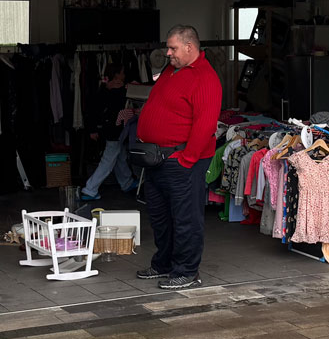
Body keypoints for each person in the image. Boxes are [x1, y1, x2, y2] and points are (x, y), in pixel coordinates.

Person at [135, 26, 222, 290]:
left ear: (189, 46)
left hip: (181, 160)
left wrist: (187, 159)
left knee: (186, 219)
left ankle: (187, 271)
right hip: (157, 159)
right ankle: (164, 263)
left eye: (173, 48)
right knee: (160, 217)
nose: (168, 53)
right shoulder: (171, 71)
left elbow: (205, 124)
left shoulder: (205, 77)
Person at [79, 64, 138, 201]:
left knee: (119, 156)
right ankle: (90, 189)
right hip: (114, 130)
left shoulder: (105, 87)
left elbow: (94, 109)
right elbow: (97, 109)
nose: (124, 75)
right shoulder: (117, 89)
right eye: (122, 72)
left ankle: (127, 182)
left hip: (111, 129)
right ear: (116, 74)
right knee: (108, 160)